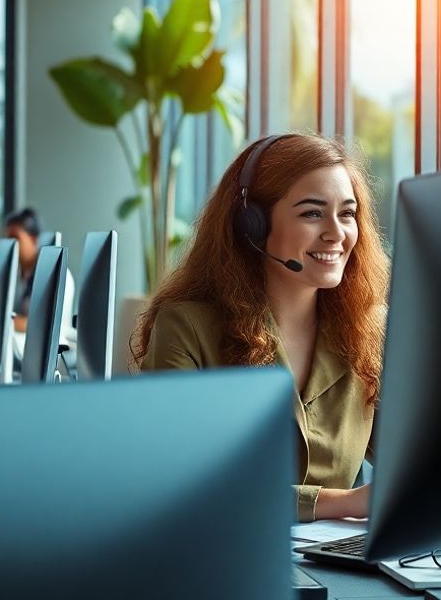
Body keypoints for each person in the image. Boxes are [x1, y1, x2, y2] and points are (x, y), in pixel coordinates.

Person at [134, 133, 389, 523]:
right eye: (312, 213)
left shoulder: (368, 332)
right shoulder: (187, 327)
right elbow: (181, 481)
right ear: (251, 225)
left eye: (348, 213)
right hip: (225, 559)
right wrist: (342, 503)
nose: (337, 233)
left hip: (339, 570)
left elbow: (414, 462)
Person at [3, 207, 43, 334]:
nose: (11, 245)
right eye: (8, 240)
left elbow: (41, 324)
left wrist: (3, 320)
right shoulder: (21, 274)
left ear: (33, 239)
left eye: (15, 238)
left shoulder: (48, 277)